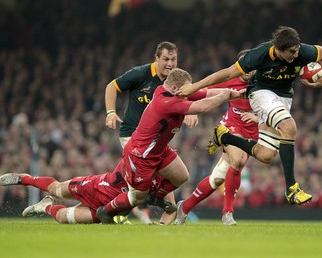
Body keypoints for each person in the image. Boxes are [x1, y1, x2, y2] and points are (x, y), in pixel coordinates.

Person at [177, 26, 322, 206]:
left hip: (283, 98)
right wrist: (194, 87)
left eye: (297, 51)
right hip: (261, 92)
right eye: (291, 52)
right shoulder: (260, 54)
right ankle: (292, 188)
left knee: (266, 155)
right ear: (279, 49)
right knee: (289, 127)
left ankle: (225, 136)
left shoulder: (302, 51)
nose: (296, 56)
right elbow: (227, 73)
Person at [95, 68, 246, 223]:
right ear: (175, 88)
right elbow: (203, 107)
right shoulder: (166, 101)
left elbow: (206, 93)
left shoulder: (174, 92)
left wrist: (235, 93)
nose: (190, 91)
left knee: (181, 176)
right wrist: (225, 96)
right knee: (137, 198)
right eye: (188, 88)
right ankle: (106, 211)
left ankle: (157, 197)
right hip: (140, 155)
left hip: (159, 149)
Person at [104, 41, 198, 224]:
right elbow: (111, 87)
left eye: (174, 59)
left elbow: (192, 97)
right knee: (145, 186)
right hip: (133, 137)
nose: (170, 64)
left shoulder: (176, 81)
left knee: (167, 178)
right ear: (156, 58)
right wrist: (110, 113)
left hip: (156, 141)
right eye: (166, 59)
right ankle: (112, 210)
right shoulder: (141, 74)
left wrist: (192, 112)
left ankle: (160, 223)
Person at [175, 50, 261, 226]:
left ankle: (184, 208)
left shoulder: (264, 83)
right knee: (238, 161)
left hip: (253, 133)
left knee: (218, 178)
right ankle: (227, 213)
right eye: (242, 66)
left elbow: (278, 107)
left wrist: (259, 118)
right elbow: (197, 93)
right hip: (229, 128)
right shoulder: (229, 80)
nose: (245, 70)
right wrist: (192, 111)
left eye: (249, 66)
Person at [0, 170, 174, 225]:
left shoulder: (166, 183)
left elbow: (170, 208)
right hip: (96, 187)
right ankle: (24, 178)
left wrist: (160, 226)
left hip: (106, 209)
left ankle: (45, 206)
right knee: (57, 189)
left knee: (62, 218)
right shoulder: (138, 160)